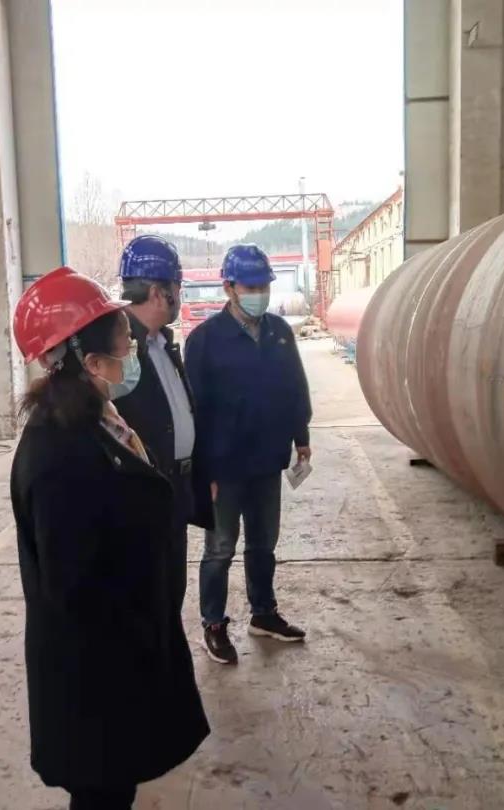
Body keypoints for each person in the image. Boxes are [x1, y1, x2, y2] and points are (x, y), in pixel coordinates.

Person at [10, 267, 209, 809]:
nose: (132, 348)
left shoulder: (96, 420)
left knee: (112, 782)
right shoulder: (59, 454)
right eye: (124, 340)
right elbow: (73, 582)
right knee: (101, 789)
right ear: (90, 361)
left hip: (117, 647)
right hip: (97, 663)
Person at [185, 244, 313, 665]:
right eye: (250, 287)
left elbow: (295, 387)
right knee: (220, 549)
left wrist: (300, 436)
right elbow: (195, 409)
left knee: (263, 545)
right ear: (229, 287)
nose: (259, 293)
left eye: (263, 286)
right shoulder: (205, 340)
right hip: (224, 467)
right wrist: (203, 470)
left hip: (266, 461)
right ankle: (213, 623)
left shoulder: (279, 332)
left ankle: (263, 613)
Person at [112, 235, 213, 612]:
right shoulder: (117, 347)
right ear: (158, 292)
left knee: (171, 594)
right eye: (177, 287)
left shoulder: (162, 343)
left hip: (174, 493)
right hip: (139, 501)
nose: (179, 296)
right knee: (146, 600)